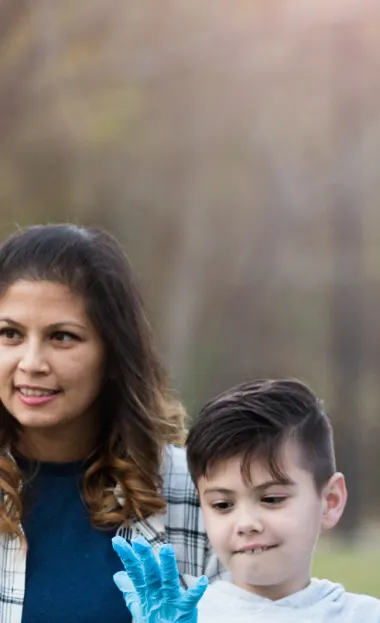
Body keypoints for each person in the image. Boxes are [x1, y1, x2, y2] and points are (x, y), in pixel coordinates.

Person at [0, 224, 219, 623]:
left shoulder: (195, 494)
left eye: (62, 337)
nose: (31, 363)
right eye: (10, 333)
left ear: (114, 355)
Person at [184, 378, 380, 622]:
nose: (246, 523)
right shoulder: (188, 616)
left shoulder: (375, 617)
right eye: (222, 505)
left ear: (330, 501)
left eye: (271, 499)